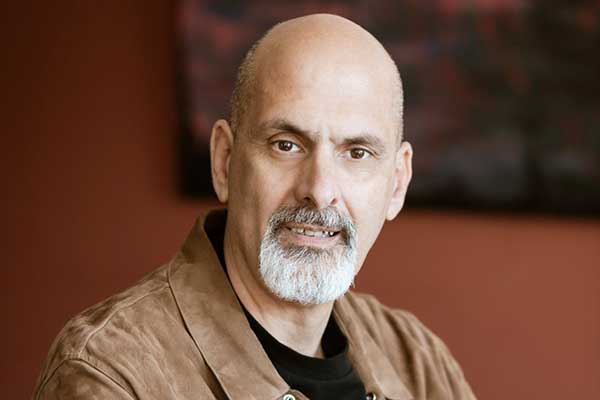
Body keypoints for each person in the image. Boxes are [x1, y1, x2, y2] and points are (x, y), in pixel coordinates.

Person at [33, 14, 476, 400]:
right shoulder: (112, 369)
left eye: (356, 153)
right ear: (224, 161)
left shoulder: (419, 362)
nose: (319, 190)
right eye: (286, 145)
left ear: (397, 183)